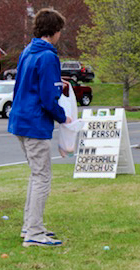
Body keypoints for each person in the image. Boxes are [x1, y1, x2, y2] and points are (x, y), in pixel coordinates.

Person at [8, 8, 71, 247]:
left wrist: (57, 84)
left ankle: (29, 226)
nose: (60, 36)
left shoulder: (28, 51)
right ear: (54, 31)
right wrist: (63, 117)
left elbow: (30, 83)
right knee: (42, 177)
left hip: (20, 120)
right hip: (35, 123)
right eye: (60, 31)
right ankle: (34, 233)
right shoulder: (48, 55)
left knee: (36, 175)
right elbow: (47, 98)